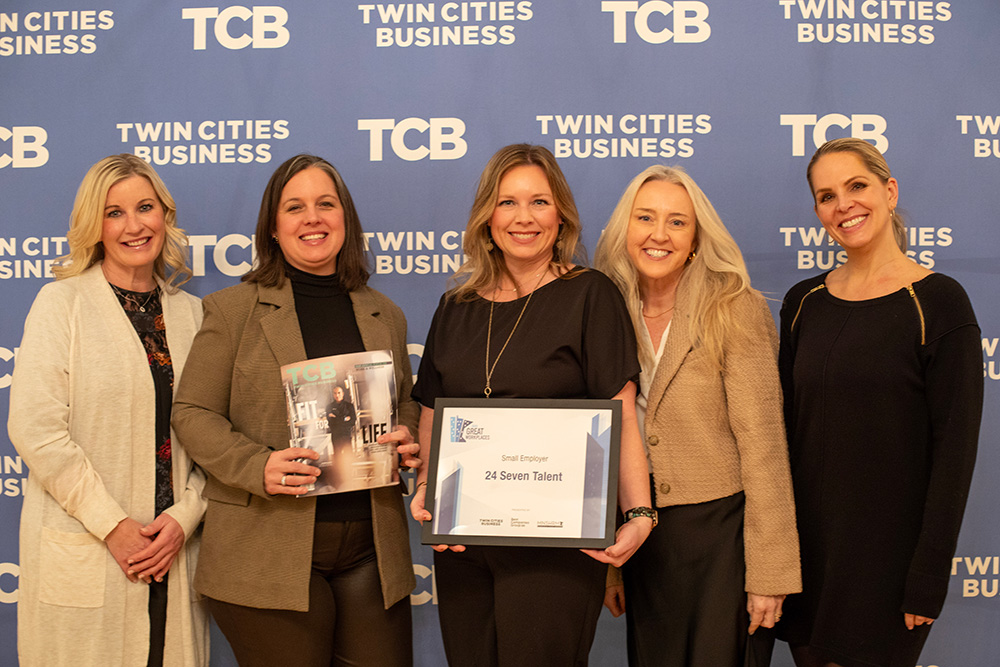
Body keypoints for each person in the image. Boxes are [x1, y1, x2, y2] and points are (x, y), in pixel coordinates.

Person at [409, 143, 654, 666]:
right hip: (464, 547)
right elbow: (432, 417)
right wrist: (428, 489)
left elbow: (622, 418)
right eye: (508, 202)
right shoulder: (455, 307)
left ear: (560, 215)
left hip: (556, 549)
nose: (524, 218)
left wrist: (639, 513)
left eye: (539, 202)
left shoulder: (590, 295)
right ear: (487, 216)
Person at [172, 154, 420, 667]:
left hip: (372, 550)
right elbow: (192, 411)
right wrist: (257, 465)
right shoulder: (233, 311)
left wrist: (406, 434)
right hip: (265, 549)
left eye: (326, 204)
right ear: (273, 226)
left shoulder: (385, 314)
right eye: (295, 207)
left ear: (345, 218)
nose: (313, 218)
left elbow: (404, 403)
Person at [777, 138, 983, 667]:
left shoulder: (939, 302)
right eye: (826, 196)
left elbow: (954, 454)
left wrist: (928, 575)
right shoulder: (804, 303)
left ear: (889, 192)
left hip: (889, 567)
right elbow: (783, 439)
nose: (843, 204)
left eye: (857, 186)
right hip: (808, 558)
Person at [594, 165, 801, 666]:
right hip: (642, 536)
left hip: (724, 538)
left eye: (677, 222)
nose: (659, 234)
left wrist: (770, 573)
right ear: (625, 228)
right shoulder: (605, 311)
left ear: (695, 238)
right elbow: (602, 443)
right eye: (645, 217)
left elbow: (765, 448)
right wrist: (611, 566)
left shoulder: (734, 308)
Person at [7, 154, 208, 666]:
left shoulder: (193, 315)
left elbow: (214, 433)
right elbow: (37, 430)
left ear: (165, 213)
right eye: (114, 212)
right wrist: (113, 525)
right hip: (90, 550)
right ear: (94, 226)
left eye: (145, 207)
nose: (134, 225)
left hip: (173, 553)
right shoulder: (62, 304)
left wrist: (185, 517)